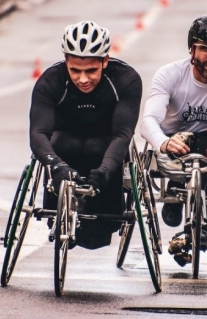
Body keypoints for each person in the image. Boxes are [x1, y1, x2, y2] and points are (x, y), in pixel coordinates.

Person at [140, 14, 207, 264]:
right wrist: (164, 143)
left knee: (205, 143)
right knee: (192, 141)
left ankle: (200, 224)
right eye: (204, 49)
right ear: (192, 48)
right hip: (170, 142)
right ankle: (177, 194)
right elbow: (147, 122)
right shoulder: (169, 74)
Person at [29, 21, 142, 250]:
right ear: (65, 62)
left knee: (95, 147)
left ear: (105, 61)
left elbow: (122, 135)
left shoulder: (125, 79)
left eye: (91, 70)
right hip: (65, 143)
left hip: (104, 145)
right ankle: (60, 210)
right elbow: (38, 133)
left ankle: (101, 214)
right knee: (62, 143)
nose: (83, 79)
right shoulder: (51, 80)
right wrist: (57, 166)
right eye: (75, 71)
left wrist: (106, 171)